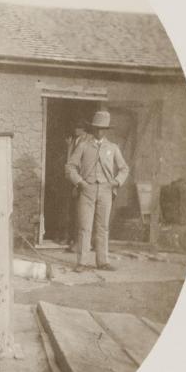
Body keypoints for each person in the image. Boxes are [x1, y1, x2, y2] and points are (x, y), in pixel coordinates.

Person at [65, 110, 129, 273]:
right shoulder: (83, 146)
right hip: (87, 190)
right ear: (93, 129)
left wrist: (115, 182)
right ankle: (82, 262)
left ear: (107, 130)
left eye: (103, 129)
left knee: (103, 227)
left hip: (106, 191)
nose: (100, 131)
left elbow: (124, 169)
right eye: (97, 128)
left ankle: (103, 261)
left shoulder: (113, 148)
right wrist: (80, 182)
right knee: (85, 227)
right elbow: (70, 167)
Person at [63, 121, 89, 249]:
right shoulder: (73, 140)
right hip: (73, 178)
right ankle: (71, 238)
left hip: (82, 179)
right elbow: (70, 161)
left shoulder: (88, 141)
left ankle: (79, 241)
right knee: (72, 209)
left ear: (83, 129)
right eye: (75, 127)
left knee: (81, 211)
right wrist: (68, 147)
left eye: (78, 127)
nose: (75, 130)